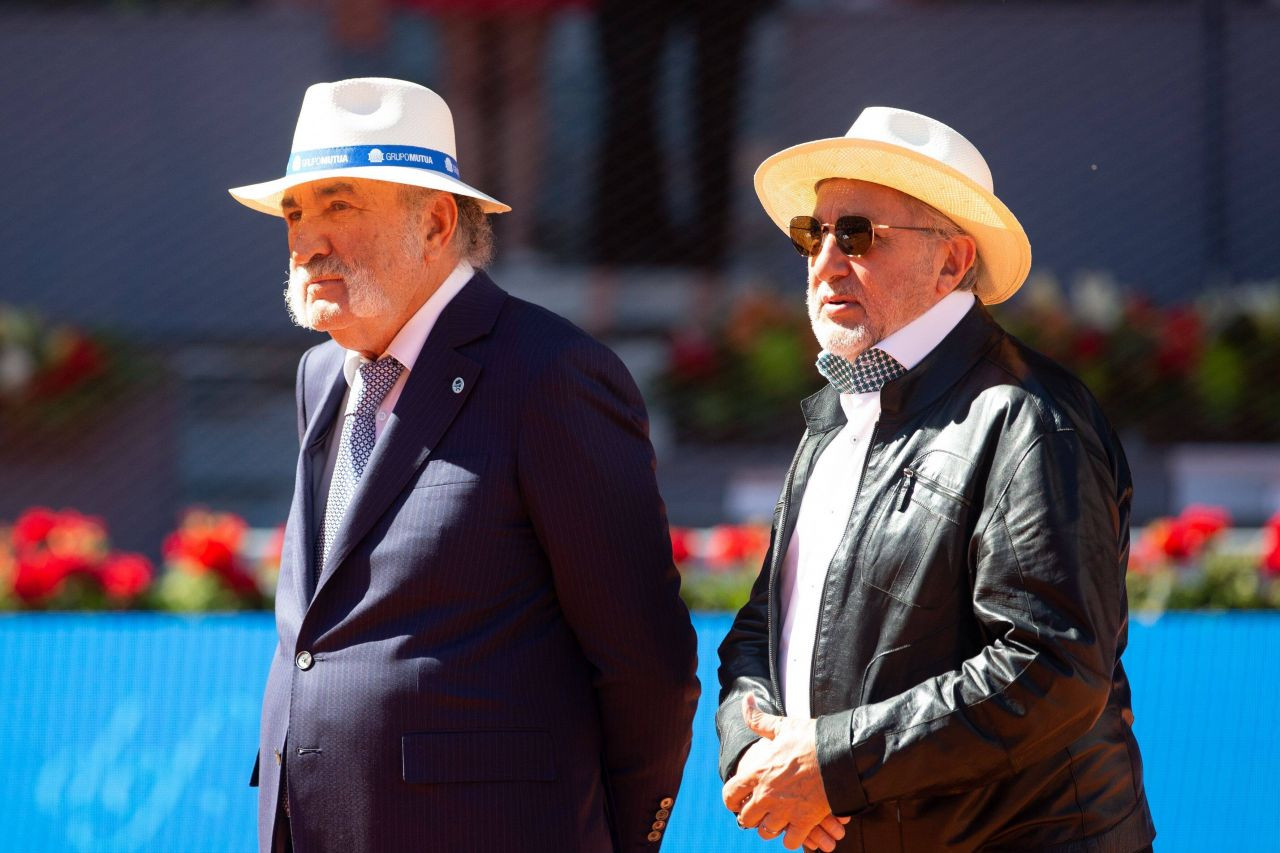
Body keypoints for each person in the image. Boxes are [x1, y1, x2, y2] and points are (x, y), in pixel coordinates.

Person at [229, 77, 699, 853]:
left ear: (436, 223)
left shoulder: (550, 374)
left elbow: (648, 660)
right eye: (295, 212)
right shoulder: (322, 376)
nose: (306, 241)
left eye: (338, 205)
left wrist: (614, 840)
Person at [716, 107, 1156, 852]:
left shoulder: (1029, 417)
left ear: (952, 262)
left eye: (858, 234)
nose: (826, 260)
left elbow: (1051, 668)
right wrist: (754, 751)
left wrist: (831, 766)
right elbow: (764, 623)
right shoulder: (843, 412)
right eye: (812, 233)